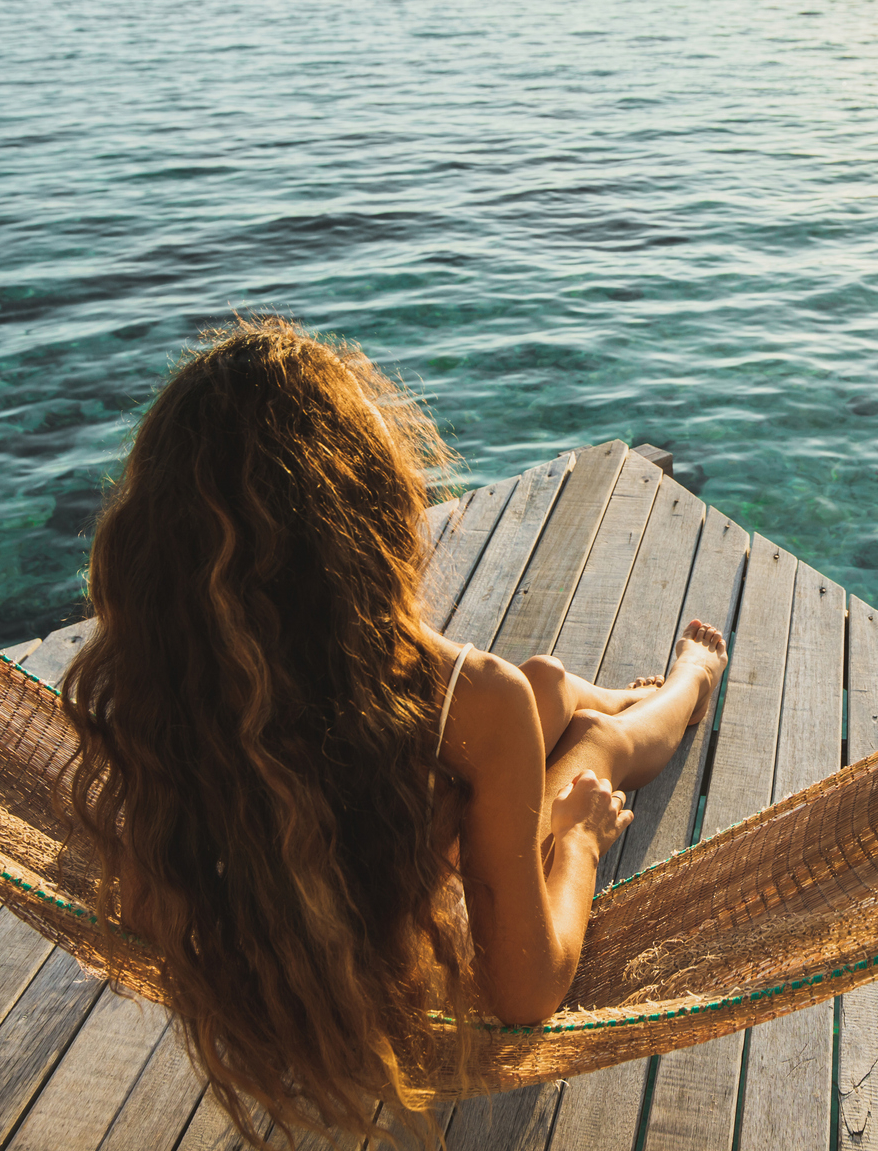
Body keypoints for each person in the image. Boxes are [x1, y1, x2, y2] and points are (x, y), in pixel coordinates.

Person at [61, 318, 726, 1144]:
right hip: (386, 913)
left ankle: (615, 690)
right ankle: (689, 683)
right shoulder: (468, 697)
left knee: (543, 687)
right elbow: (525, 994)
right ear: (365, 521)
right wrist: (581, 838)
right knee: (589, 747)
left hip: (357, 839)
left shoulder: (151, 689)